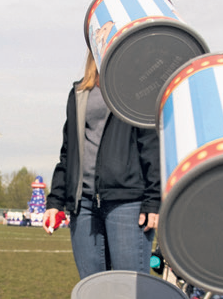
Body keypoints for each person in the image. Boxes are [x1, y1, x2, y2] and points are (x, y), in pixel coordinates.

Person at [43, 50, 160, 279]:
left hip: (127, 202)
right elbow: (68, 152)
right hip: (83, 205)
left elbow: (151, 145)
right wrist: (55, 200)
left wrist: (154, 199)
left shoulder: (137, 90)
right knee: (92, 294)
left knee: (131, 291)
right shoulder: (79, 92)